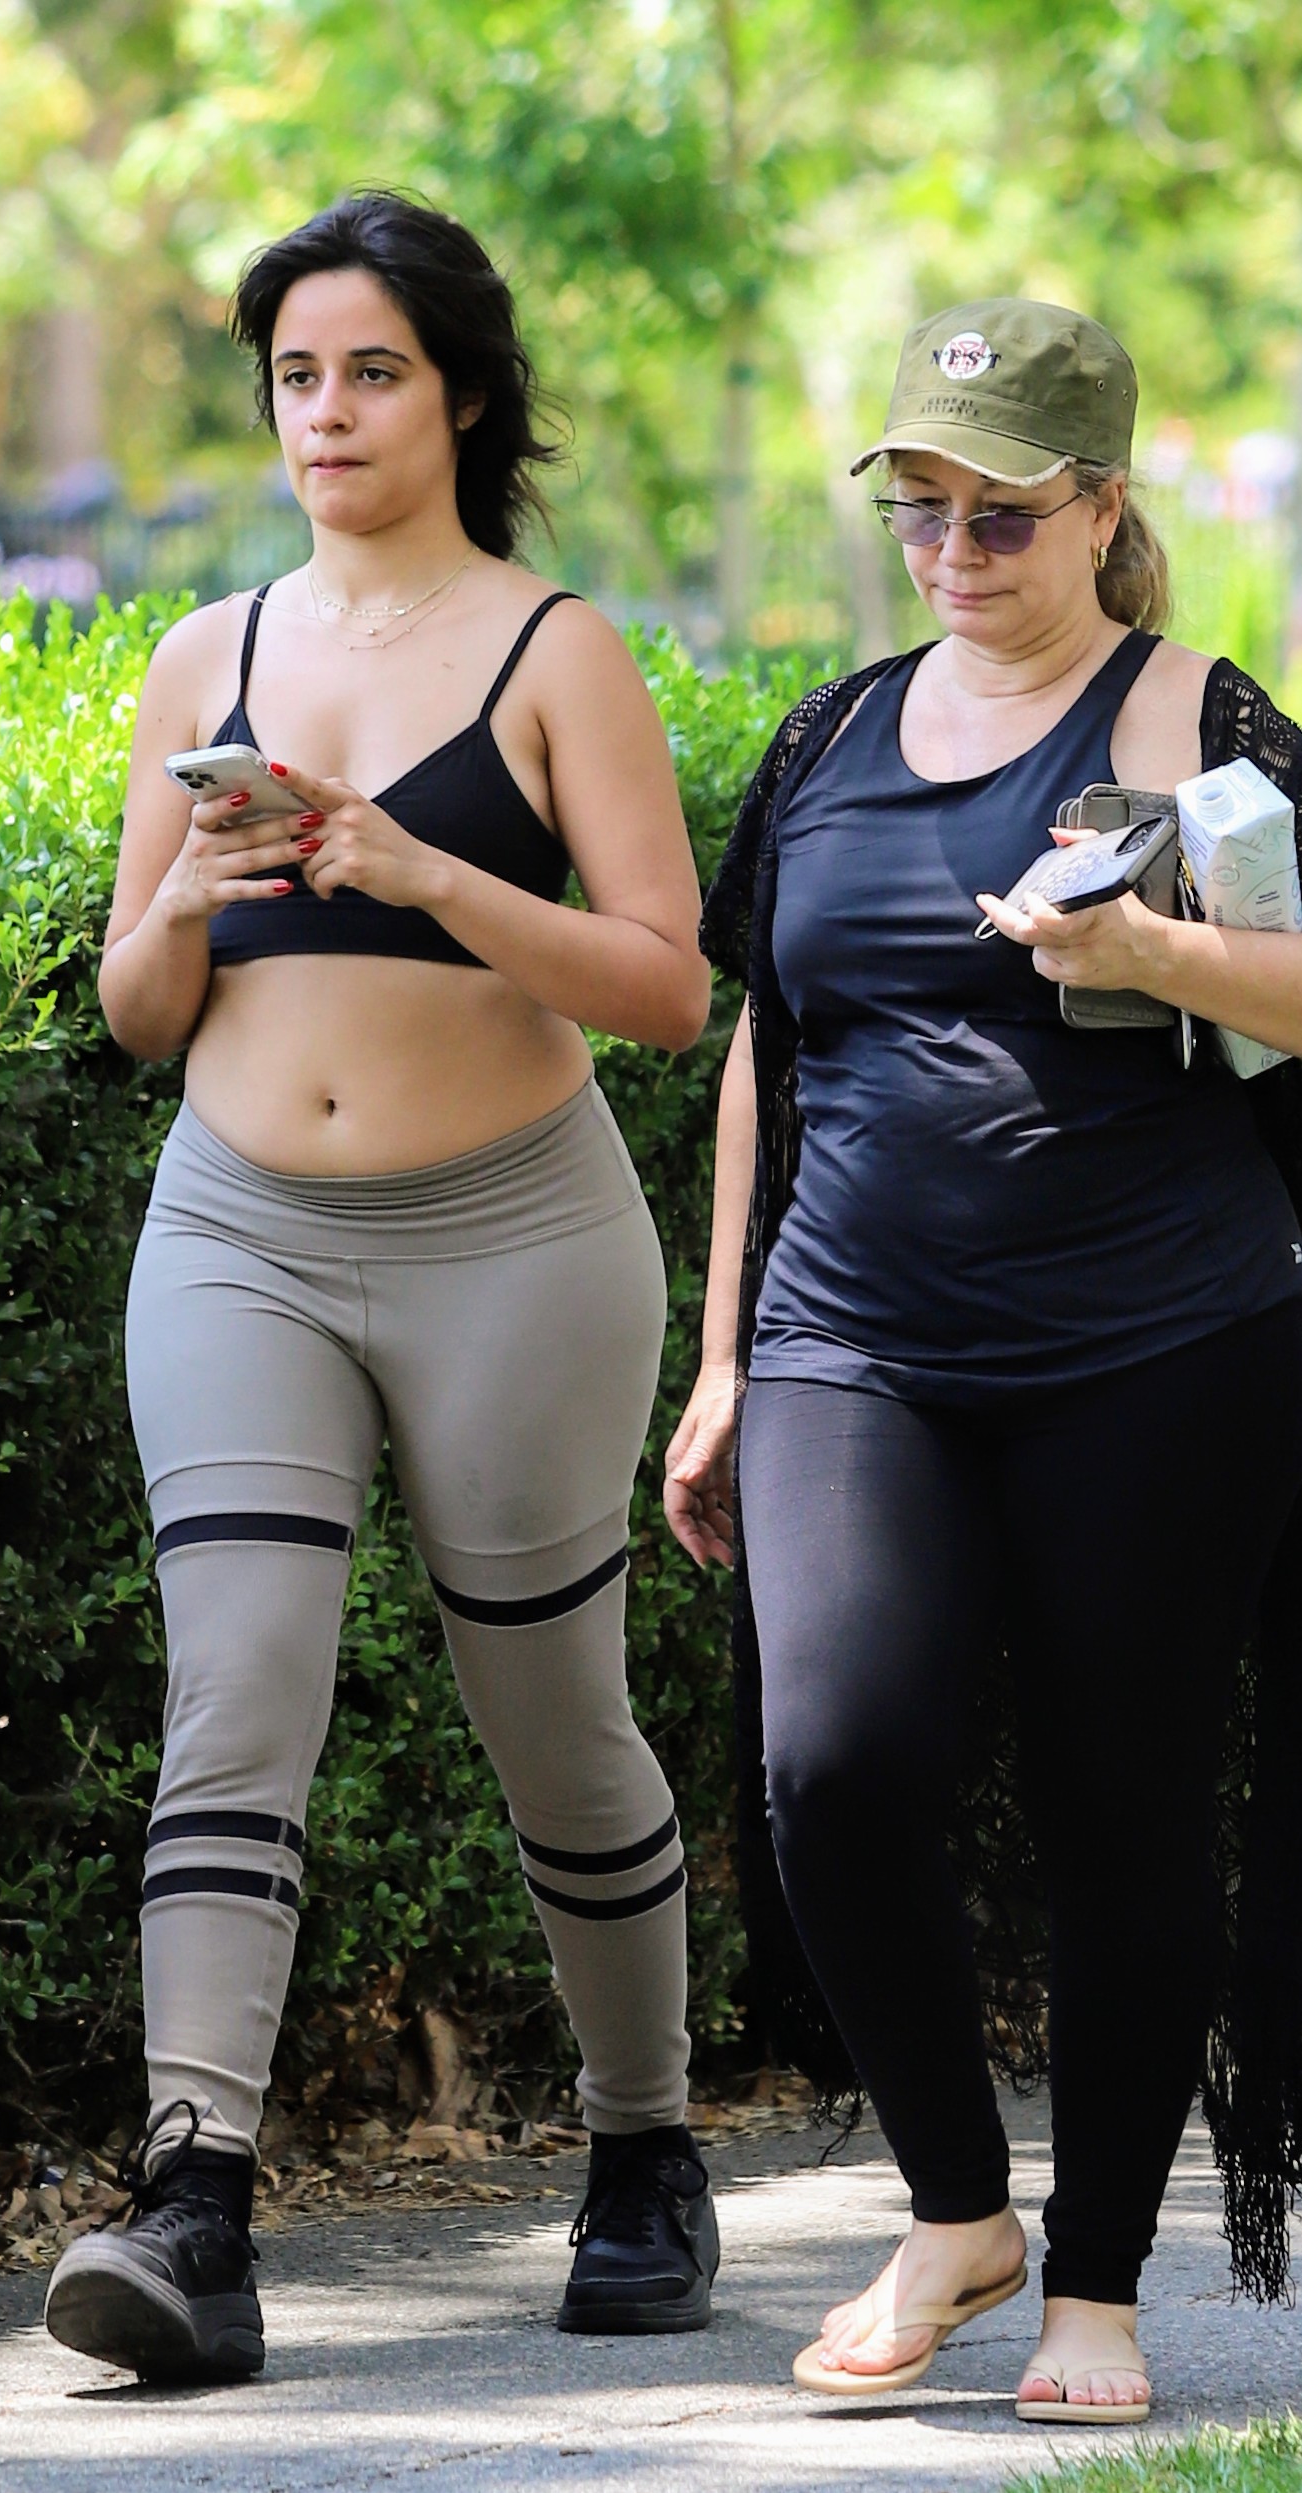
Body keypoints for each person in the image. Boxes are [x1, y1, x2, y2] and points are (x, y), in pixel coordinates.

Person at [43, 191, 717, 2386]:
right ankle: (192, 2201)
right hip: (238, 1227)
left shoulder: (555, 651)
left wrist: (417, 865)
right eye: (296, 376)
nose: (326, 413)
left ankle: (642, 2141)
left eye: (372, 371)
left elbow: (667, 987)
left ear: (464, 392)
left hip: (513, 1236)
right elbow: (138, 1007)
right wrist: (201, 886)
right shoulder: (201, 657)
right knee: (235, 1692)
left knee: (554, 1714)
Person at [664, 297, 1302, 2427]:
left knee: (1134, 1806)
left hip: (1159, 1343)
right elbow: (773, 1031)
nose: (950, 547)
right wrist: (726, 1353)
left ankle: (1098, 2275)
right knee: (832, 1756)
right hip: (858, 1334)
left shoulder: (1197, 723)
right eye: (917, 504)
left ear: (1102, 505)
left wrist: (1142, 949)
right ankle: (957, 2203)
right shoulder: (831, 736)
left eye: (999, 513)